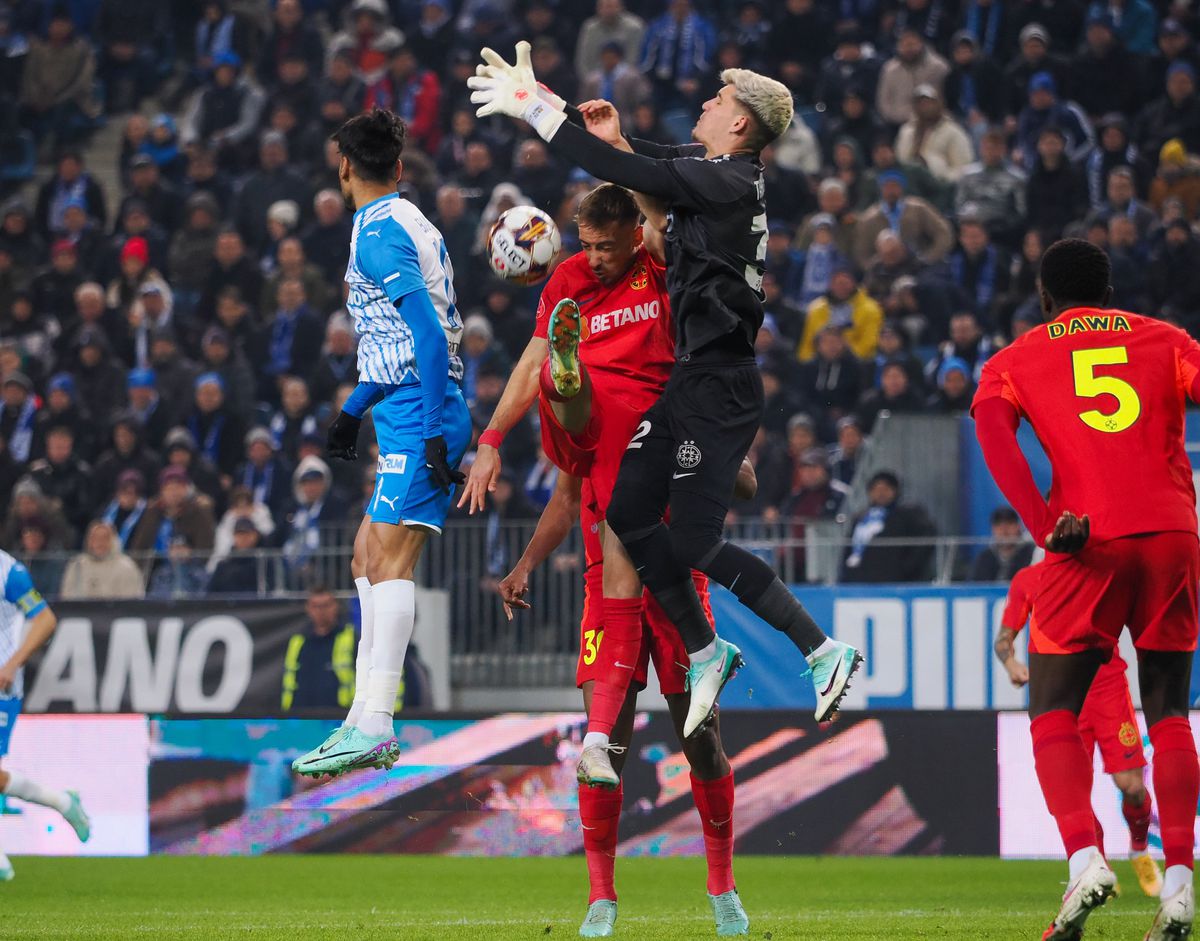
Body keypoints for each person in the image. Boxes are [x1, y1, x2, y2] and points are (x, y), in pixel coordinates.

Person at [468, 47, 861, 745]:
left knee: (695, 540)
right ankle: (707, 649)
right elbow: (636, 158)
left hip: (720, 383)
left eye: (716, 102)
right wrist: (564, 107)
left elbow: (628, 172)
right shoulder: (718, 176)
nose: (705, 106)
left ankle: (821, 650)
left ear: (740, 125)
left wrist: (534, 109)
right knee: (628, 510)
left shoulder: (731, 179)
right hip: (693, 378)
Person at [461, 180, 752, 934]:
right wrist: (494, 454)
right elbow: (563, 489)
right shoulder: (568, 284)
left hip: (663, 510)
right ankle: (600, 896)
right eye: (584, 245)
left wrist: (620, 148)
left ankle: (721, 886)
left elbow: (665, 219)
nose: (592, 257)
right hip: (600, 511)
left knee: (701, 734)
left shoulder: (661, 268)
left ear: (632, 235)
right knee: (610, 738)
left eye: (604, 246)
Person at [972, 238, 1200, 939]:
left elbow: (991, 427)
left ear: (1044, 297)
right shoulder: (1166, 339)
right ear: (1107, 291)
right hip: (1171, 534)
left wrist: (1044, 523)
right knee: (1168, 708)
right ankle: (1183, 882)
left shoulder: (1016, 360)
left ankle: (1084, 857)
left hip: (1086, 538)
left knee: (1051, 708)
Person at [290, 109, 468, 778]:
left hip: (424, 411)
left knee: (390, 558)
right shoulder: (394, 221)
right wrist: (353, 408)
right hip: (399, 406)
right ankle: (360, 717)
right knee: (366, 552)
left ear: (343, 167)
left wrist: (431, 433)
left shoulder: (382, 235)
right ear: (396, 168)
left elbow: (426, 335)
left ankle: (378, 723)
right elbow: (392, 341)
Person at [995, 561, 1163, 899]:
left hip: (1107, 688)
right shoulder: (1028, 580)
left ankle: (1139, 848)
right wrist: (1011, 662)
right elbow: (1004, 638)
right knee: (1075, 794)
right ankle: (1097, 865)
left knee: (1131, 786)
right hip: (1062, 698)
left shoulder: (1098, 571)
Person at [0, 547, 91, 880]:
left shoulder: (8, 571)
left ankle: (61, 803)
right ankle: (62, 803)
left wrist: (12, 663)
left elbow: (45, 618)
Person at [281, 587, 358, 712]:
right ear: (308, 608)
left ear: (336, 606)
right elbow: (288, 679)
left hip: (341, 716)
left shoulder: (351, 637)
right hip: (302, 716)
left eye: (326, 605)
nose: (321, 611)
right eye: (316, 606)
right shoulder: (298, 640)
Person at [58, 520, 145, 599]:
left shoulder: (126, 567)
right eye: (94, 538)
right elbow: (66, 597)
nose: (99, 542)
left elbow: (132, 602)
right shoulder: (77, 564)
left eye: (104, 538)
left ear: (113, 541)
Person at [970, 506, 1033, 581]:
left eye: (1009, 523)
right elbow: (974, 586)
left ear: (1019, 527)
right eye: (999, 524)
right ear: (992, 529)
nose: (1004, 529)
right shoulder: (984, 557)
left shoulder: (1030, 554)